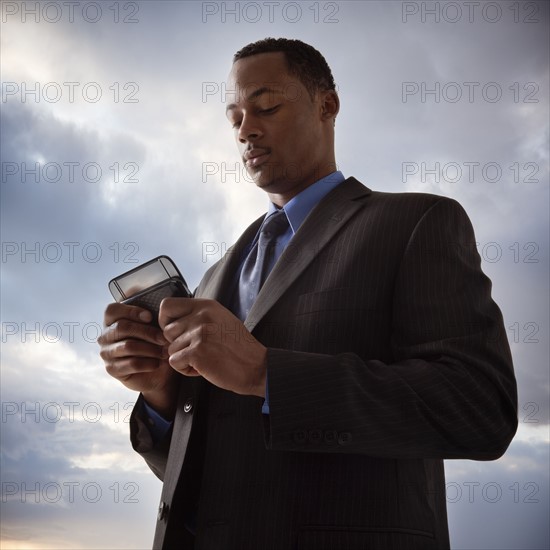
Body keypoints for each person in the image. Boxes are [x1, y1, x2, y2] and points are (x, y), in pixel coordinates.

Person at [98, 38, 518, 550]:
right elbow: (205, 471)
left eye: (267, 106)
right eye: (234, 118)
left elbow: (480, 410)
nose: (246, 129)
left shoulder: (417, 223)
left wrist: (264, 373)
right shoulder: (213, 277)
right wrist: (163, 395)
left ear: (328, 105)